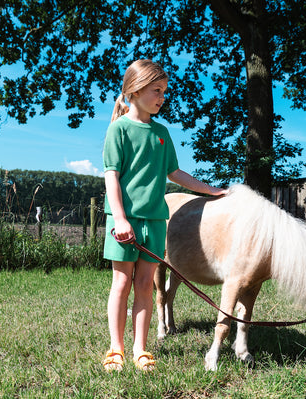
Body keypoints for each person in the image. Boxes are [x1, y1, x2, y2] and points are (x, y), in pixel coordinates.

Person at [102, 59, 227, 372]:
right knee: (122, 283)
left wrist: (211, 191)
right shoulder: (119, 130)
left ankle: (140, 349)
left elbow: (175, 172)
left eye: (164, 91)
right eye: (156, 90)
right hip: (124, 221)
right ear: (135, 90)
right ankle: (116, 349)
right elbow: (111, 177)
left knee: (145, 286)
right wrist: (120, 218)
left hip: (156, 220)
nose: (162, 97)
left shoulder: (162, 133)